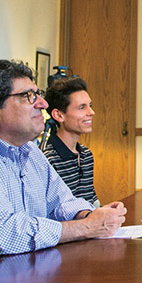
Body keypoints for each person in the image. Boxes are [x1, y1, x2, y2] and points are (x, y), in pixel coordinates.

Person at [0, 60, 126, 283]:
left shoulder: (29, 149)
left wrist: (92, 214)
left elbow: (62, 201)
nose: (42, 103)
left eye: (38, 94)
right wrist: (86, 227)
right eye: (28, 96)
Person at [42, 76, 99, 206]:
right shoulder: (48, 159)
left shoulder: (86, 155)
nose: (91, 112)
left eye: (90, 106)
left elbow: (91, 202)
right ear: (58, 115)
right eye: (82, 107)